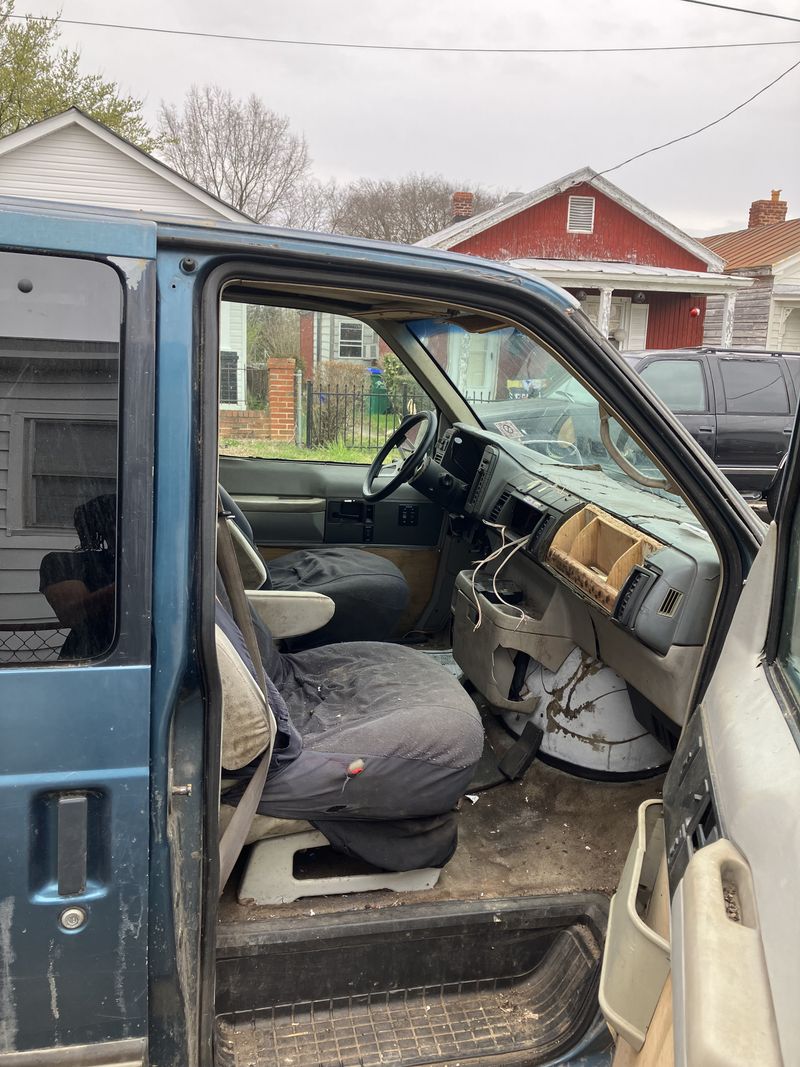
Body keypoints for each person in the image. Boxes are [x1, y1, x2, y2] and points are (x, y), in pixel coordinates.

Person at [39, 493, 117, 659]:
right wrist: (134, 583)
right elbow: (73, 615)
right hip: (88, 659)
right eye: (115, 523)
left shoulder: (154, 563)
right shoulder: (64, 562)